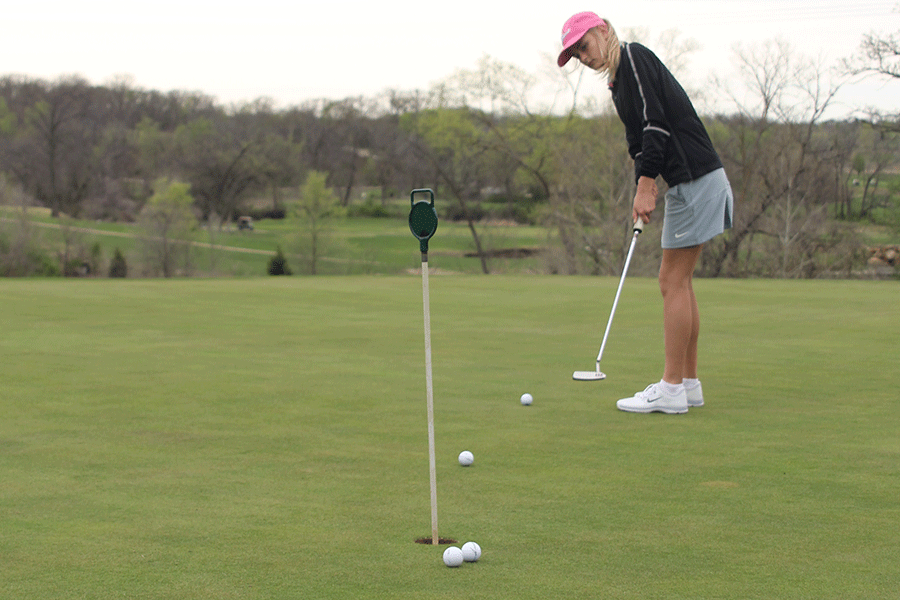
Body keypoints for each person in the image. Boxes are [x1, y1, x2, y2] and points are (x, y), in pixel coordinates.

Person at [557, 12, 733, 414]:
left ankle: (671, 389)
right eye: (575, 54)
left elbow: (657, 125)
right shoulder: (619, 85)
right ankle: (688, 384)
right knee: (680, 282)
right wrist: (645, 179)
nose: (583, 57)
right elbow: (638, 143)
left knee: (670, 280)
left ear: (603, 31)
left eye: (583, 46)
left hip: (695, 179)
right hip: (695, 181)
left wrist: (645, 184)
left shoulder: (633, 57)